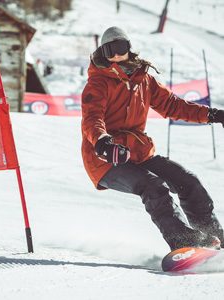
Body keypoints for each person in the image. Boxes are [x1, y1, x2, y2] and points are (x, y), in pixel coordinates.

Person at [81, 26, 224, 251]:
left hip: (137, 151)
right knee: (153, 186)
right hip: (105, 158)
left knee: (187, 181)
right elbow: (92, 118)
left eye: (120, 47)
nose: (116, 55)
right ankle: (183, 241)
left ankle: (214, 237)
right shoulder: (98, 83)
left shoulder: (143, 79)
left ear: (129, 48)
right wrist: (103, 142)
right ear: (102, 53)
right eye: (109, 51)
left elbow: (172, 105)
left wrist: (212, 114)